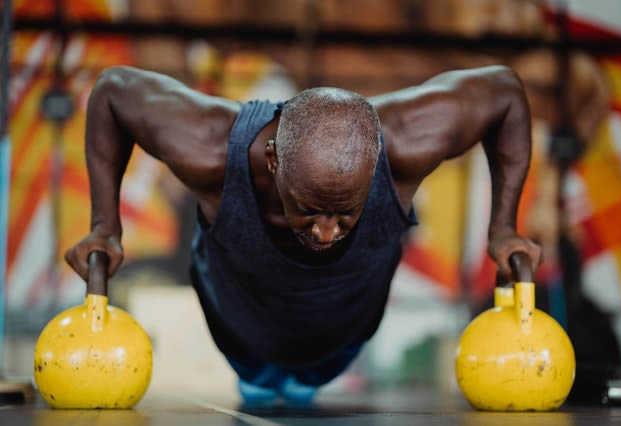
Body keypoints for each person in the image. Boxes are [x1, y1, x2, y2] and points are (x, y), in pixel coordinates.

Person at [65, 65, 541, 404]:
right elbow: (112, 91)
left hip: (343, 341)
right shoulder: (209, 148)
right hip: (239, 335)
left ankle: (299, 380)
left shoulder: (406, 144)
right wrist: (105, 224)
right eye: (310, 210)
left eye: (345, 212)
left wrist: (502, 226)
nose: (327, 231)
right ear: (273, 162)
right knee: (261, 382)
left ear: (374, 162)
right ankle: (264, 379)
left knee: (302, 383)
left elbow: (504, 92)